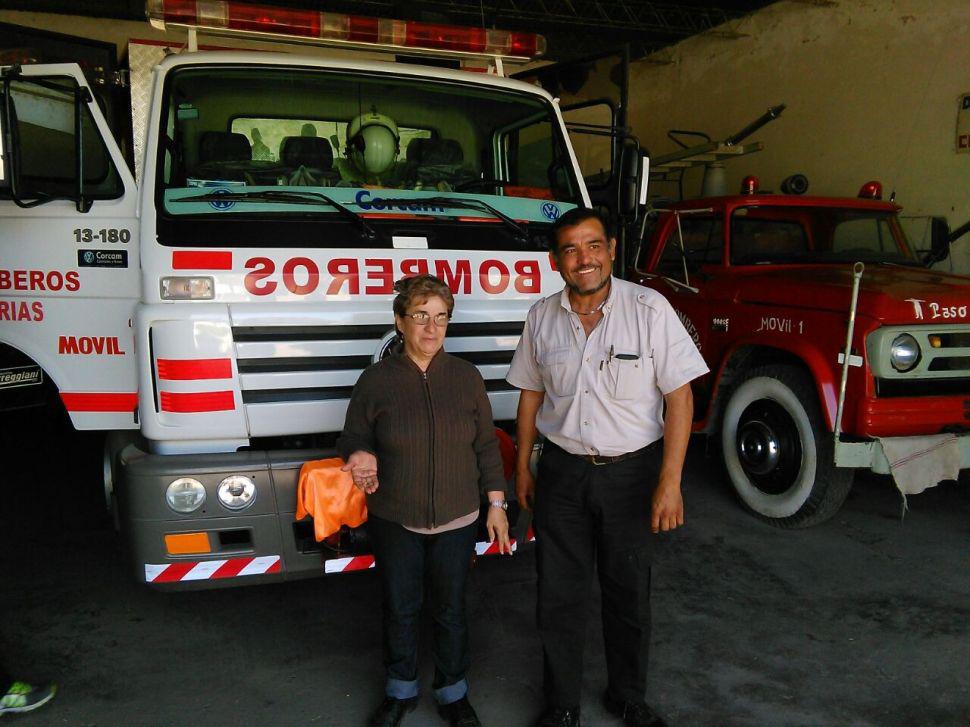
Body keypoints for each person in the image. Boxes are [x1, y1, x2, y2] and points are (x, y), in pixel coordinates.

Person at [506, 207, 709, 727]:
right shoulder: (541, 317)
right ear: (556, 262)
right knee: (558, 595)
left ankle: (628, 696)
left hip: (631, 475)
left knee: (628, 594)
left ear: (612, 249)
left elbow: (680, 399)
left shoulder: (650, 308)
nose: (584, 259)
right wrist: (524, 468)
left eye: (593, 245)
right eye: (570, 250)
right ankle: (562, 705)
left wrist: (670, 482)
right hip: (563, 474)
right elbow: (530, 397)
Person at [338, 274, 511, 727]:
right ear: (400, 321)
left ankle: (453, 693)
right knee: (400, 606)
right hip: (396, 515)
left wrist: (497, 505)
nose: (432, 329)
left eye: (441, 318)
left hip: (458, 515)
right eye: (420, 317)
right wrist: (358, 454)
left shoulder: (467, 377)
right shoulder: (376, 381)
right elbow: (355, 436)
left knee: (451, 608)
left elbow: (487, 447)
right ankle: (400, 692)